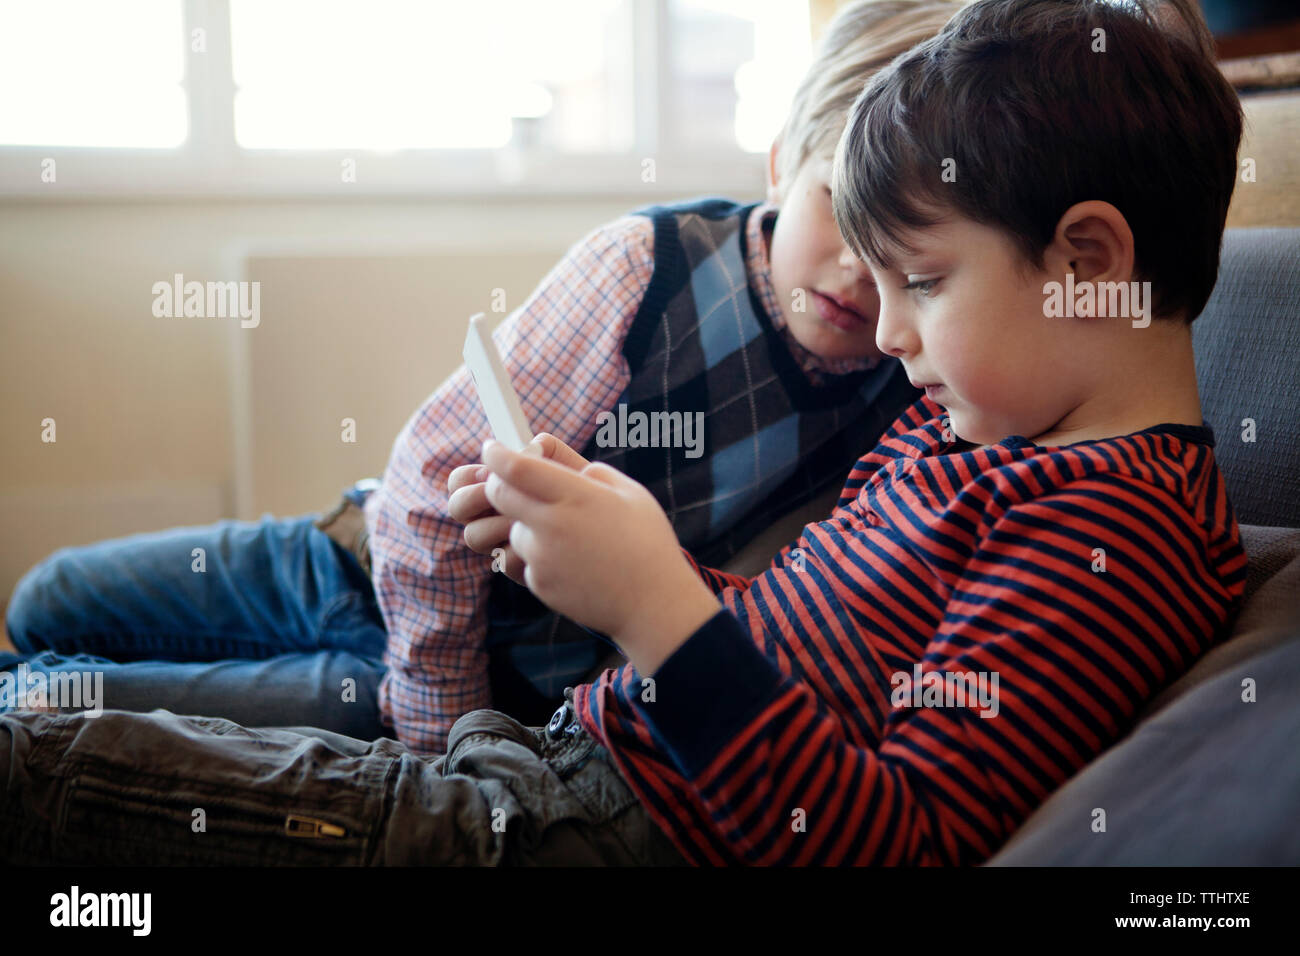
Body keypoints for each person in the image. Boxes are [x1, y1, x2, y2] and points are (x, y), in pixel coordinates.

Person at [0, 0, 1247, 866]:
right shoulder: (985, 432)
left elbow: (883, 840)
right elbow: (780, 648)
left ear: (1087, 261)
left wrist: (651, 601)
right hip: (533, 744)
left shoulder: (1113, 535)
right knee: (66, 693)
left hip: (568, 826)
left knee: (53, 769)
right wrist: (622, 553)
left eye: (920, 281)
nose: (889, 334)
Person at [1, 1, 965, 751]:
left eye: (904, 251)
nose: (854, 271)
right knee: (48, 604)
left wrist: (448, 738)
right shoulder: (646, 266)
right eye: (840, 210)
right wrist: (437, 719)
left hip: (497, 689)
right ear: (781, 164)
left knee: (44, 701)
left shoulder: (916, 387)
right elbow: (430, 489)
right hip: (368, 572)